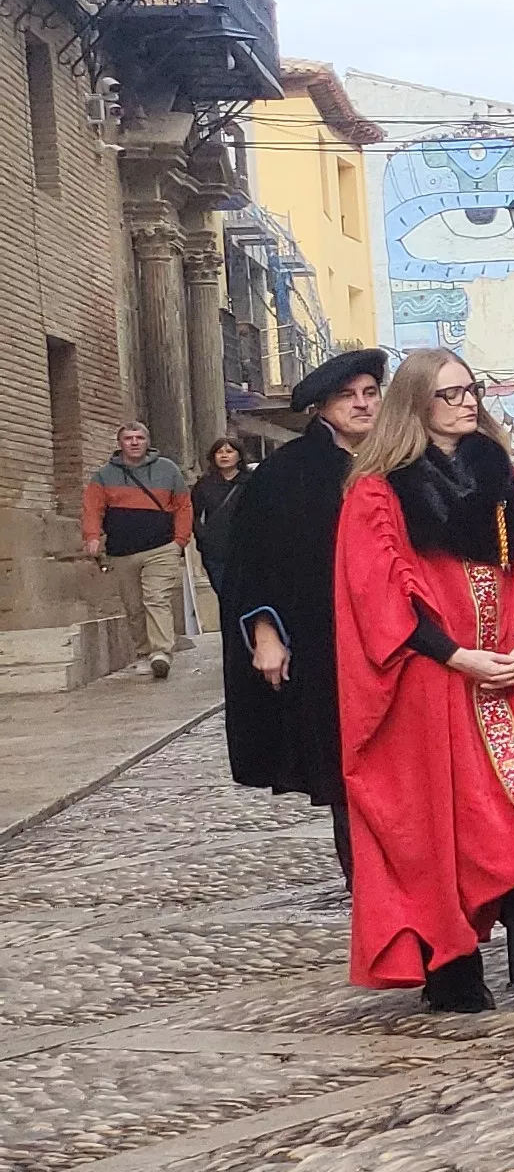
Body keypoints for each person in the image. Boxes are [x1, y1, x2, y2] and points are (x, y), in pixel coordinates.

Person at [335, 348, 514, 1011]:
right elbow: (378, 594)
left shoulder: (505, 478)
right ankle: (453, 971)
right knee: (443, 827)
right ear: (417, 405)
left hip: (511, 670)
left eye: (471, 390)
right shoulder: (377, 491)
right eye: (451, 394)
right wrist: (455, 655)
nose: (468, 402)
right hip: (429, 682)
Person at [224, 351, 387, 872]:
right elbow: (252, 562)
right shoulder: (284, 475)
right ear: (322, 407)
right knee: (347, 769)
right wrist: (267, 633)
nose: (362, 405)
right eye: (348, 396)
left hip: (400, 641)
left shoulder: (402, 462)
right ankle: (367, 888)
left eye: (370, 393)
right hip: (326, 644)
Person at [84, 421, 193, 677]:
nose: (134, 442)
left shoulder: (168, 470)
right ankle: (143, 652)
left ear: (147, 441)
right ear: (120, 443)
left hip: (162, 547)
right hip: (122, 552)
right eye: (128, 438)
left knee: (157, 598)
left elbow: (183, 506)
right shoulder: (103, 475)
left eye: (139, 437)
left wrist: (180, 540)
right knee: (133, 606)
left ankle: (161, 652)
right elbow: (92, 508)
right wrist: (92, 536)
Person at [194, 437, 250, 597]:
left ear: (239, 456)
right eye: (219, 452)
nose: (224, 456)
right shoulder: (205, 484)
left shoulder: (251, 481)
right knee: (224, 594)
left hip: (246, 549)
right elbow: (194, 514)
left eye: (229, 451)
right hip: (216, 550)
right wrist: (203, 537)